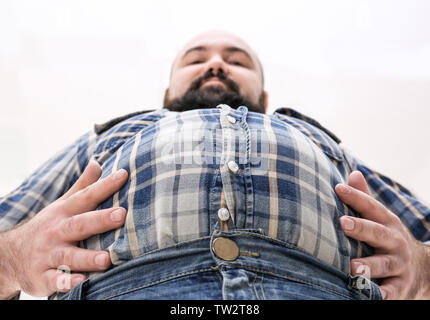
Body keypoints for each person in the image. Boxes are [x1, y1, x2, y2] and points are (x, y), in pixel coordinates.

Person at [0, 30, 429, 300]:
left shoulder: (324, 144)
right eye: (195, 58)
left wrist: (421, 269)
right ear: (167, 94)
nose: (217, 63)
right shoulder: (107, 138)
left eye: (238, 60)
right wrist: (16, 258)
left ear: (264, 98)